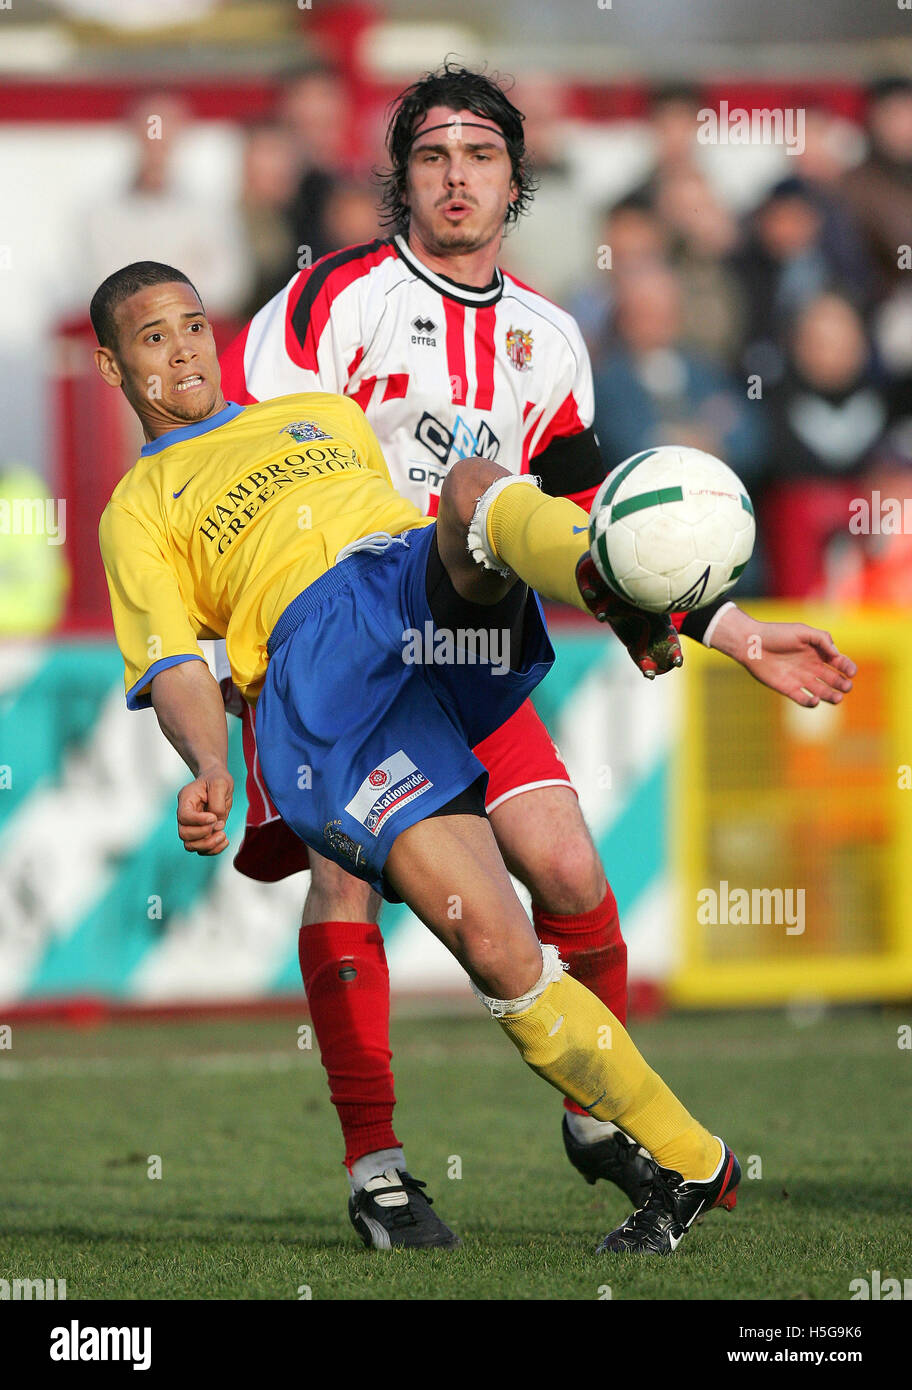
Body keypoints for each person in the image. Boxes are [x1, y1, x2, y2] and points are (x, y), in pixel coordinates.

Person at [218, 65, 859, 1249]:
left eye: (481, 158)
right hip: (345, 647)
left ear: (518, 179)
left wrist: (730, 628)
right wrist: (233, 651)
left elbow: (596, 532)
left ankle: (593, 1113)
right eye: (432, 157)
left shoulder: (551, 339)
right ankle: (379, 1170)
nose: (457, 179)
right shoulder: (326, 302)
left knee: (567, 874)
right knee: (349, 876)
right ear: (399, 176)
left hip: (470, 644)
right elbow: (244, 469)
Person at [93, 260, 762, 1257]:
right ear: (112, 365)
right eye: (155, 337)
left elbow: (423, 513)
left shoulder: (321, 412)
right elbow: (177, 664)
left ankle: (629, 587)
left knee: (468, 486)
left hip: (412, 595)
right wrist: (211, 768)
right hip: (323, 678)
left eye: (194, 324)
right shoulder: (138, 504)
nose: (184, 347)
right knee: (497, 950)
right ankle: (696, 1161)